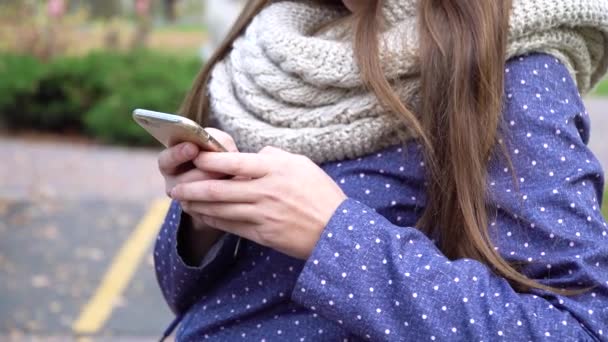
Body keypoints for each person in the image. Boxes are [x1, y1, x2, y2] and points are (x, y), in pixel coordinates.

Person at [154, 0, 608, 340]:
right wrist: (204, 217)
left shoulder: (515, 69)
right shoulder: (270, 55)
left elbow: (577, 328)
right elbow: (191, 297)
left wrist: (333, 237)